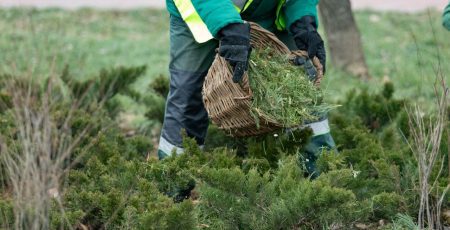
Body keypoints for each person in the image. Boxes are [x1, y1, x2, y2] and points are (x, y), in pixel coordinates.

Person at [158, 0, 335, 177]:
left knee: (301, 86)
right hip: (201, 11)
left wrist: (303, 20)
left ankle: (323, 176)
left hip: (267, 11)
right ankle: (173, 183)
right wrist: (228, 26)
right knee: (188, 95)